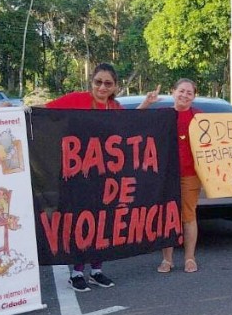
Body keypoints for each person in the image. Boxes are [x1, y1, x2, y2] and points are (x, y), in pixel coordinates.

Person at [45, 63, 156, 291]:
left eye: (108, 83)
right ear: (91, 82)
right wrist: (17, 111)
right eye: (98, 82)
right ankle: (76, 272)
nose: (102, 87)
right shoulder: (76, 99)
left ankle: (96, 270)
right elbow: (45, 111)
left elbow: (131, 125)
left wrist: (146, 104)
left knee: (103, 221)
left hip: (105, 176)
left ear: (114, 86)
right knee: (79, 220)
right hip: (76, 174)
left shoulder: (114, 107)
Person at [157, 78, 202, 274]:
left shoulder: (199, 117)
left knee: (188, 216)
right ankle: (167, 260)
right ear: (173, 92)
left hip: (191, 174)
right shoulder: (162, 116)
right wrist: (147, 104)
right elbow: (134, 125)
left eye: (189, 92)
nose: (184, 95)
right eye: (181, 91)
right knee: (167, 217)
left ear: (194, 96)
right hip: (165, 175)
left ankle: (189, 258)